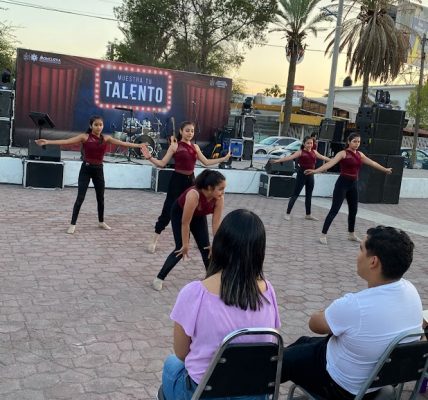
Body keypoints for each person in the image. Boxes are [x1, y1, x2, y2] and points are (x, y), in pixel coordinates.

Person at [280, 225, 423, 400]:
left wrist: (333, 311)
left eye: (361, 249)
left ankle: (254, 388)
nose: (357, 255)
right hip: (380, 379)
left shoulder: (356, 305)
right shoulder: (411, 291)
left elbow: (315, 324)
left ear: (373, 262)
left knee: (278, 361)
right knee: (303, 342)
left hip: (341, 385)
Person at [161, 209, 281, 400]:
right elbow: (271, 342)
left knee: (171, 363)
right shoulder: (268, 291)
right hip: (253, 392)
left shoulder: (195, 293)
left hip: (203, 393)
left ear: (219, 244)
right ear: (260, 251)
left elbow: (182, 353)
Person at [35, 115, 146, 234]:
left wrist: (138, 145)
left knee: (100, 198)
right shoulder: (85, 137)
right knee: (80, 198)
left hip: (99, 170)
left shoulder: (106, 138)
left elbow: (123, 143)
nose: (99, 127)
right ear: (91, 126)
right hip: (86, 170)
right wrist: (48, 141)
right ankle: (72, 224)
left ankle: (101, 222)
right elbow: (66, 141)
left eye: (101, 125)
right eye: (96, 125)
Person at [142, 121, 230, 254]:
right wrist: (149, 157)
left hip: (192, 182)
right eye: (187, 130)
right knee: (168, 210)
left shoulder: (195, 147)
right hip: (177, 181)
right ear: (181, 131)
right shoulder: (175, 146)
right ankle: (154, 238)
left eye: (192, 131)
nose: (190, 133)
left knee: (195, 210)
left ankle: (197, 238)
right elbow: (162, 163)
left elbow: (206, 162)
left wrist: (223, 159)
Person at [305, 132, 392, 245]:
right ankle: (323, 234)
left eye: (358, 142)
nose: (357, 144)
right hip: (342, 184)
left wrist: (385, 169)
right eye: (354, 141)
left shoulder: (360, 154)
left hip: (353, 185)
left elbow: (372, 163)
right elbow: (330, 164)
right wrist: (315, 171)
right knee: (334, 210)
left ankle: (351, 234)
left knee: (353, 210)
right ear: (349, 142)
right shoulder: (343, 153)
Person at [152, 169, 226, 291]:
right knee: (180, 248)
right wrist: (186, 244)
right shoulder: (193, 194)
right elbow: (185, 223)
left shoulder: (219, 199)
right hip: (180, 214)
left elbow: (216, 224)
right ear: (209, 187)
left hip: (199, 215)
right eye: (221, 189)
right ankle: (159, 278)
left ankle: (211, 280)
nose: (223, 192)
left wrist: (216, 244)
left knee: (207, 249)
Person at [271, 136, 330, 221]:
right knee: (295, 195)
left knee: (309, 195)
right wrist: (278, 160)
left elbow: (324, 157)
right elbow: (289, 158)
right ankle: (287, 213)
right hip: (301, 175)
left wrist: (334, 160)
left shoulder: (314, 152)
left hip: (310, 176)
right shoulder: (300, 152)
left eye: (311, 143)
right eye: (308, 143)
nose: (310, 145)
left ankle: (308, 215)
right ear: (304, 144)